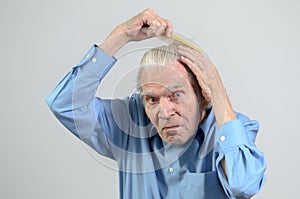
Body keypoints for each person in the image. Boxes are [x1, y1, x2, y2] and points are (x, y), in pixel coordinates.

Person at [46, 9, 266, 199]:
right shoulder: (131, 122)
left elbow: (243, 185)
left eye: (176, 95)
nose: (164, 112)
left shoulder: (230, 128)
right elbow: (65, 104)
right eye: (152, 99)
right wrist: (120, 35)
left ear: (202, 95)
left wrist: (219, 94)